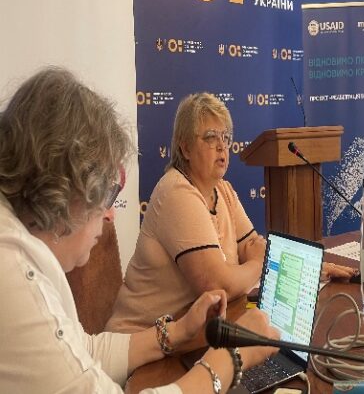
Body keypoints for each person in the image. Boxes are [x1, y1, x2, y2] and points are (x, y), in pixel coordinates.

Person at [0, 68, 279, 394]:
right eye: (106, 194)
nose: (110, 215)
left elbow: (84, 351)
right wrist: (231, 358)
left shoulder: (17, 250)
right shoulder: (12, 273)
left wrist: (178, 332)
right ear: (61, 192)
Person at [106, 92, 355, 332]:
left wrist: (305, 271)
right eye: (210, 137)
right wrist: (263, 263)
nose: (222, 147)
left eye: (225, 137)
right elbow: (218, 285)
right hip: (144, 339)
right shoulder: (176, 191)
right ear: (185, 148)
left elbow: (253, 245)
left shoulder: (223, 190)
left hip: (192, 335)